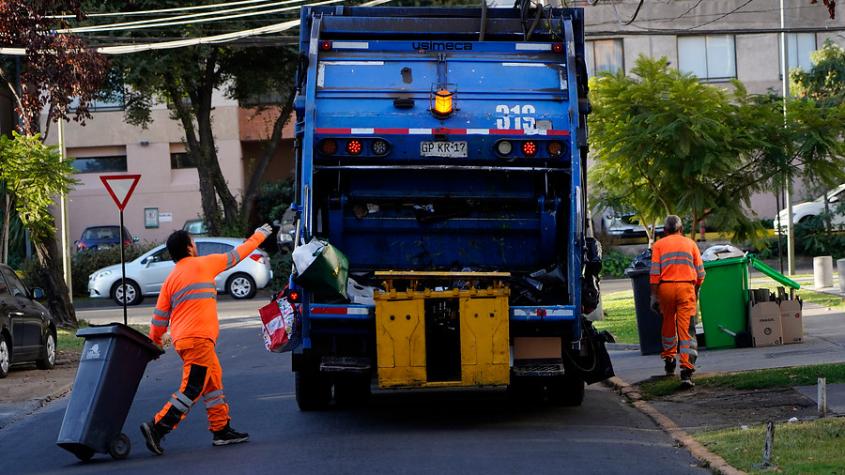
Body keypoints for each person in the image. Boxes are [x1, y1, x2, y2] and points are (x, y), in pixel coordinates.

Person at [140, 224, 273, 455]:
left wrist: (156, 341)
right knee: (192, 388)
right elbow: (238, 254)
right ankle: (158, 427)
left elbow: (159, 317)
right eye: (193, 242)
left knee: (213, 384)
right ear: (190, 247)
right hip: (198, 339)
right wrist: (259, 235)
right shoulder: (205, 264)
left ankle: (221, 429)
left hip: (185, 340)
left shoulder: (171, 279)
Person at [649, 215, 705, 388]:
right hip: (686, 288)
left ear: (665, 231)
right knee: (686, 329)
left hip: (665, 289)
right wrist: (695, 291)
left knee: (668, 325)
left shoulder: (658, 245)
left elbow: (654, 275)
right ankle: (686, 372)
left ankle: (669, 361)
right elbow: (701, 274)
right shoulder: (691, 244)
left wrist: (654, 296)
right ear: (681, 229)